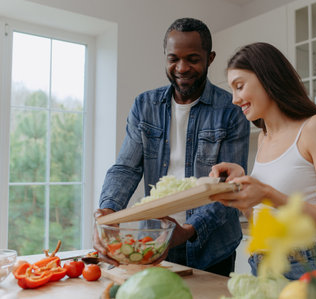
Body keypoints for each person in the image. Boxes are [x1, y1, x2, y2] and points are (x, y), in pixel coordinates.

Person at [93, 18, 250, 277]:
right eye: (173, 58)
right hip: (153, 241)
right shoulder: (145, 106)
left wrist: (188, 230)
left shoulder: (231, 110)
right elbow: (126, 168)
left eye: (192, 59)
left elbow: (229, 188)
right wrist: (107, 214)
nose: (182, 67)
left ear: (210, 58)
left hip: (212, 247)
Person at [209, 42, 316, 280]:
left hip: (305, 268)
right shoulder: (264, 137)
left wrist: (268, 194)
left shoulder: (315, 127)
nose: (234, 99)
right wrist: (242, 195)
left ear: (267, 77)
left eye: (239, 86)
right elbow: (268, 219)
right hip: (264, 265)